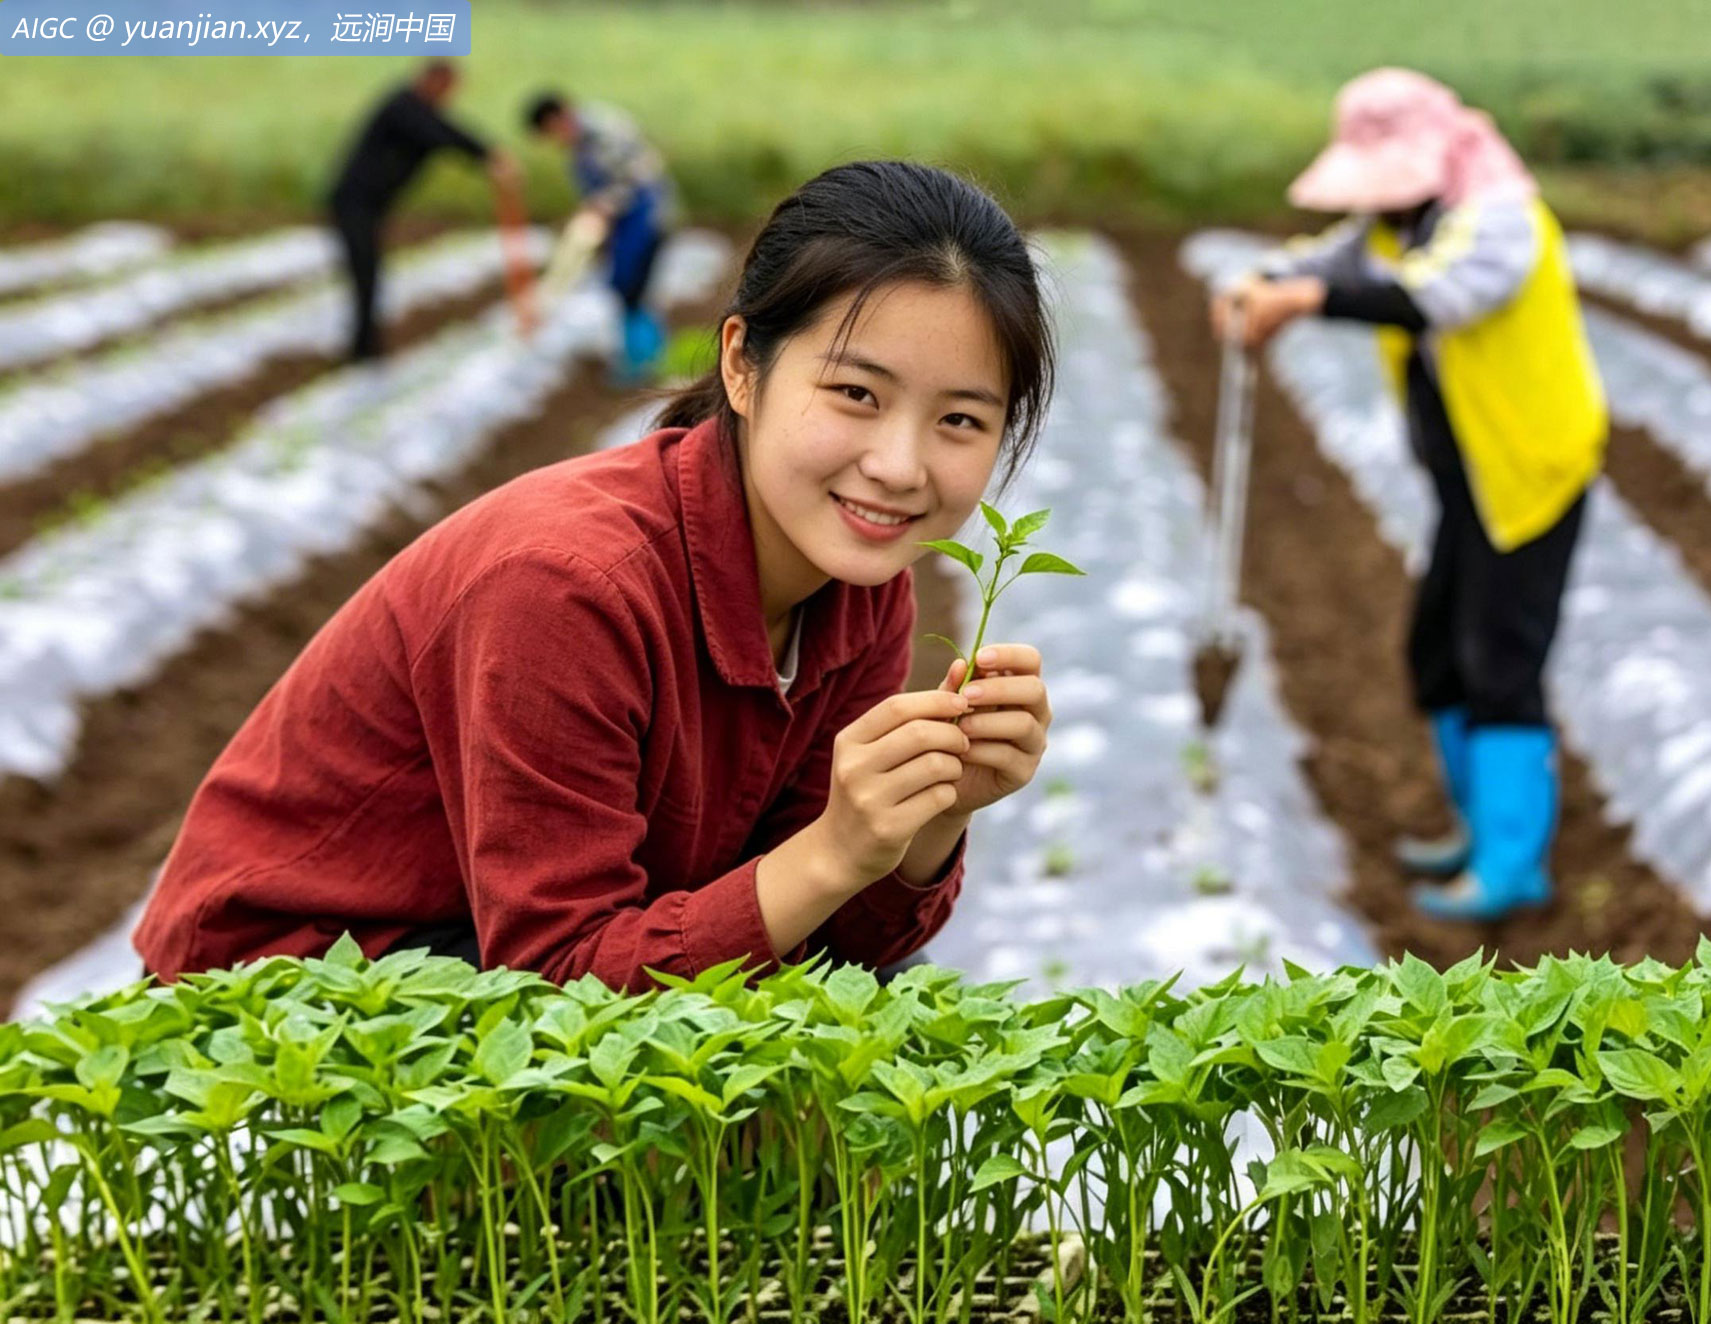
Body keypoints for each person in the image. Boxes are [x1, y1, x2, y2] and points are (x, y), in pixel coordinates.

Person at [136, 161, 1058, 990]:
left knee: (881, 992)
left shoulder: (859, 584)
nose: (900, 467)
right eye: (857, 394)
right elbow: (556, 983)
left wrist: (932, 819)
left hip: (506, 952)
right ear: (742, 365)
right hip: (304, 979)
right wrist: (834, 850)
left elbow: (826, 936)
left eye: (961, 421)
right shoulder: (567, 583)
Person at [1213, 68, 1606, 921]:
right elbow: (1318, 259)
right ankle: (1478, 831)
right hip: (1466, 478)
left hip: (1532, 468)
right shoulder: (1398, 223)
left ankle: (1513, 863)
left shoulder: (1501, 220)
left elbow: (1440, 295)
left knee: (1504, 655)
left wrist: (1305, 299)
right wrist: (1257, 285)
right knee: (1436, 651)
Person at [328, 59, 519, 362]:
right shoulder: (403, 107)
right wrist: (488, 155)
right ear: (431, 80)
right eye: (447, 87)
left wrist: (489, 155)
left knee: (370, 273)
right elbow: (440, 134)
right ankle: (363, 350)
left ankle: (366, 347)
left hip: (372, 206)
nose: (448, 96)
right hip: (354, 203)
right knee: (365, 273)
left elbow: (445, 130)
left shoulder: (418, 110)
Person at [525, 92, 678, 383]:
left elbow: (637, 178)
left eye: (551, 131)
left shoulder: (605, 131)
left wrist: (603, 206)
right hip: (622, 220)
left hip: (646, 214)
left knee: (634, 283)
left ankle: (648, 358)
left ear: (559, 117)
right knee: (622, 283)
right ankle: (640, 354)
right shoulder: (577, 147)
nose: (555, 140)